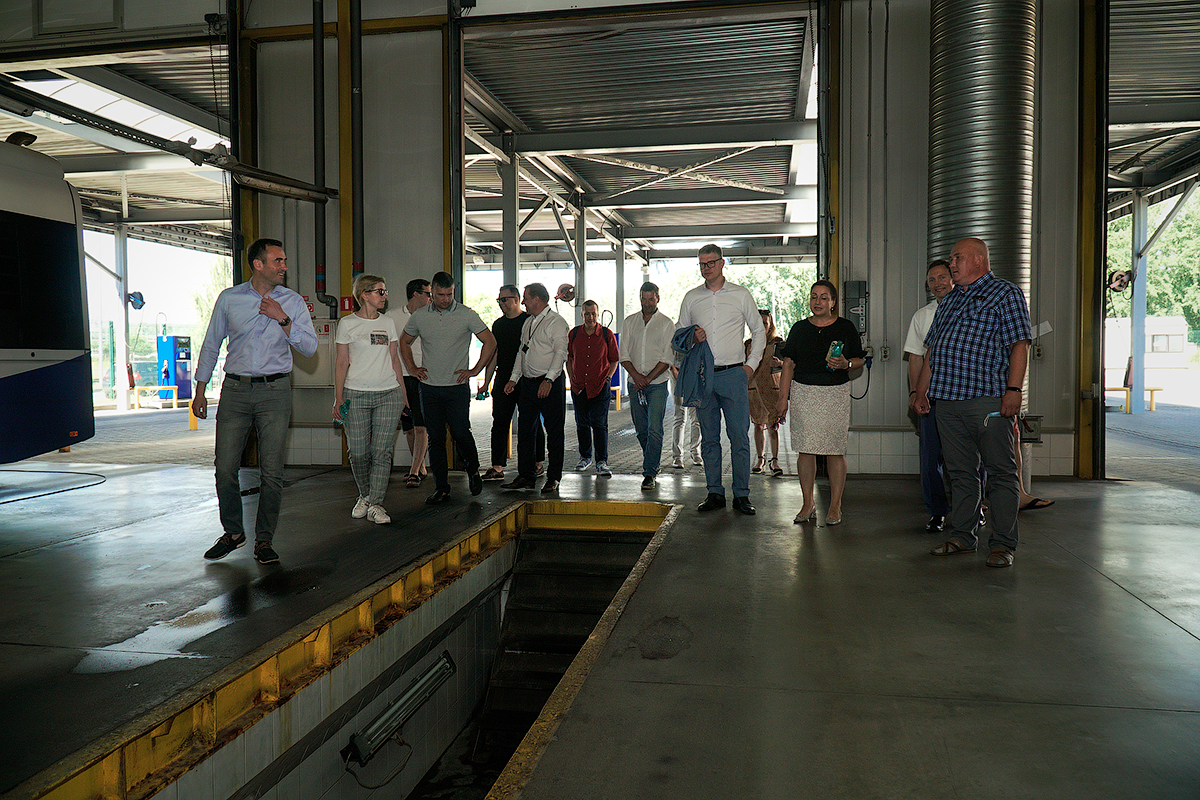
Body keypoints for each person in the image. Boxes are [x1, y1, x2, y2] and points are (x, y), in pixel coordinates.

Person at [193, 238, 318, 565]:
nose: (284, 267)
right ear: (258, 264)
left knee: (271, 473)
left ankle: (264, 541)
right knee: (224, 468)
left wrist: (283, 318)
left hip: (275, 391)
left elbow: (309, 348)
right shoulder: (229, 299)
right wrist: (200, 389)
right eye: (278, 261)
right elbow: (211, 344)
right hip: (235, 391)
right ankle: (234, 532)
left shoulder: (292, 302)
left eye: (284, 261)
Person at [915, 237, 1031, 568]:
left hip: (988, 401)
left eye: (957, 258)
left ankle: (1003, 544)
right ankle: (963, 536)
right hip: (947, 402)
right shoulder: (950, 300)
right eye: (952, 259)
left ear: (978, 260)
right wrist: (921, 392)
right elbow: (933, 350)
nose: (951, 264)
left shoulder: (1005, 293)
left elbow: (1020, 345)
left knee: (1001, 473)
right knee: (960, 473)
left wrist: (1014, 390)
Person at [676, 244, 765, 515]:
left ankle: (742, 495)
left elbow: (758, 331)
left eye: (711, 263)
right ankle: (714, 492)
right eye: (702, 264)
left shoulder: (741, 294)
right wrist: (692, 337)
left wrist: (750, 367)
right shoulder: (691, 297)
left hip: (734, 375)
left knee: (739, 436)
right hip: (703, 377)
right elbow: (679, 334)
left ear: (722, 263)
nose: (706, 268)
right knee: (709, 438)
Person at [399, 271, 495, 504]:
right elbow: (404, 341)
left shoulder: (466, 314)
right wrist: (412, 368)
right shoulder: (420, 316)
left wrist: (475, 370)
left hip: (456, 388)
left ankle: (473, 470)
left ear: (454, 291)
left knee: (461, 433)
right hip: (429, 388)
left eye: (449, 294)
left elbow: (490, 342)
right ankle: (441, 488)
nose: (445, 299)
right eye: (440, 295)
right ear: (432, 292)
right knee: (436, 439)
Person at [775, 280, 866, 526]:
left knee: (835, 449)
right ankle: (808, 503)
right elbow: (788, 364)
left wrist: (846, 364)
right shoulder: (799, 328)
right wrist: (783, 399)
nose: (818, 301)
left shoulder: (845, 327)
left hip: (835, 394)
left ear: (833, 302)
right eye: (814, 296)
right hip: (804, 394)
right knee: (805, 450)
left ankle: (835, 505)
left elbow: (859, 360)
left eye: (824, 297)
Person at [333, 274, 408, 524]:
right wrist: (338, 398)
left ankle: (376, 504)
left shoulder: (388, 323)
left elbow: (394, 359)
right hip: (355, 395)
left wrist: (403, 393)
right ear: (364, 295)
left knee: (382, 452)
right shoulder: (347, 324)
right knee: (358, 452)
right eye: (380, 291)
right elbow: (341, 362)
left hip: (388, 393)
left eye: (385, 291)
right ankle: (365, 495)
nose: (384, 296)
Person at [501, 282, 570, 494]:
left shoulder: (556, 323)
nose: (523, 302)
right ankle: (526, 476)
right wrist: (514, 379)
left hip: (549, 384)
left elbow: (561, 353)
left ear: (537, 299)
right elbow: (522, 352)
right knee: (525, 431)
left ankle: (554, 477)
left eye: (526, 298)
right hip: (528, 385)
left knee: (554, 432)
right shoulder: (528, 322)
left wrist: (548, 380)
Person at [904, 260, 955, 532]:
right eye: (932, 280)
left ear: (953, 278)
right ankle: (937, 511)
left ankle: (975, 507)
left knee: (970, 457)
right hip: (931, 398)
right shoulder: (922, 316)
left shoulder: (970, 310)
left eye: (942, 277)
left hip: (964, 397)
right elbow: (915, 357)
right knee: (930, 458)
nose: (938, 284)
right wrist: (916, 392)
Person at [481, 284, 545, 482]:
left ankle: (537, 464)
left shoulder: (529, 321)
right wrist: (486, 382)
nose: (501, 303)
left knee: (532, 422)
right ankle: (497, 467)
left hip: (526, 379)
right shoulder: (498, 325)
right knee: (499, 422)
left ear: (516, 300)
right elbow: (494, 355)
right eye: (499, 300)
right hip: (503, 378)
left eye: (504, 299)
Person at [620, 282, 675, 490]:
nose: (647, 303)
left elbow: (667, 359)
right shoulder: (629, 322)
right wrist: (637, 378)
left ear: (658, 299)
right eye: (644, 299)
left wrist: (648, 379)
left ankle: (649, 472)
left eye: (651, 299)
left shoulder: (666, 324)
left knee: (654, 429)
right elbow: (623, 355)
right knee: (641, 430)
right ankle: (652, 461)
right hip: (635, 385)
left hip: (658, 385)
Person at [386, 278, 431, 488]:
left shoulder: (432, 316)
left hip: (423, 377)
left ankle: (414, 471)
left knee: (421, 426)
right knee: (410, 428)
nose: (431, 298)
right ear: (415, 294)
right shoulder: (392, 317)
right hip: (400, 377)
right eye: (428, 294)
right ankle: (420, 467)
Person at [567, 300, 619, 477]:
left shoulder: (606, 334)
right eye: (587, 313)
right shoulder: (574, 334)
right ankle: (585, 458)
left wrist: (608, 378)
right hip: (579, 387)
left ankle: (602, 462)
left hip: (600, 386)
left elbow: (614, 359)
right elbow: (569, 358)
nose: (590, 317)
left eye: (593, 313)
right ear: (582, 314)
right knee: (582, 423)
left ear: (597, 314)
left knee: (599, 424)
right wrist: (572, 377)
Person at [748, 308, 785, 477]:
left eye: (765, 323)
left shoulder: (778, 344)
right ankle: (760, 459)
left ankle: (775, 460)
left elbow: (789, 365)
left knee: (773, 425)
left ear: (770, 325)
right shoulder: (748, 345)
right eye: (758, 322)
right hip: (754, 389)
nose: (762, 326)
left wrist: (780, 364)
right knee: (758, 425)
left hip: (771, 389)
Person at [668, 371, 702, 469]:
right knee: (680, 417)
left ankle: (696, 452)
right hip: (677, 376)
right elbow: (670, 360)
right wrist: (674, 371)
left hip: (695, 377)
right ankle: (677, 456)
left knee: (696, 418)